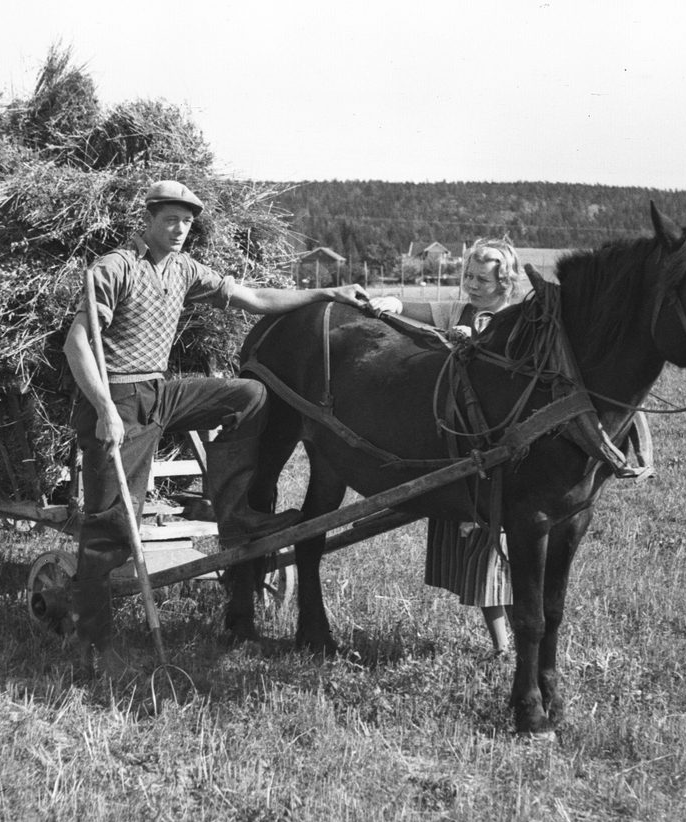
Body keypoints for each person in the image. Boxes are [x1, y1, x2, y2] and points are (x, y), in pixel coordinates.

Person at [63, 180, 368, 678]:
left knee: (249, 394)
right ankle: (93, 651)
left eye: (186, 221)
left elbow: (251, 297)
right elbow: (77, 345)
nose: (180, 229)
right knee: (111, 528)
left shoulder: (184, 270)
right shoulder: (114, 268)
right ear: (148, 219)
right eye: (170, 220)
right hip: (118, 398)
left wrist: (325, 292)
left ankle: (236, 515)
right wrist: (104, 409)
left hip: (158, 392)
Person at [369, 237, 528, 654]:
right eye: (469, 277)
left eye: (482, 280)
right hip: (458, 439)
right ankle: (502, 647)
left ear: (504, 281)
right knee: (480, 556)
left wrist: (475, 341)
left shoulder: (517, 319)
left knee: (504, 554)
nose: (472, 286)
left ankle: (518, 641)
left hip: (501, 444)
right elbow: (415, 310)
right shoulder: (461, 312)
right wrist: (392, 302)